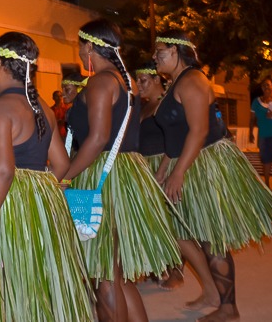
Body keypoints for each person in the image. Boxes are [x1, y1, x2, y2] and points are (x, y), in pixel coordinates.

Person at [152, 30, 272, 322]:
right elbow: (175, 136)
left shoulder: (192, 81)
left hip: (205, 164)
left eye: (160, 51)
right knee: (197, 235)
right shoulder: (177, 83)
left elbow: (199, 130)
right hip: (189, 162)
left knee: (211, 238)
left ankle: (229, 307)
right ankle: (214, 294)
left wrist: (178, 172)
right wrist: (164, 170)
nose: (155, 56)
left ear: (177, 52)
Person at [0, 32, 94, 321]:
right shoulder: (43, 109)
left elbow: (3, 171)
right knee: (33, 282)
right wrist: (37, 189)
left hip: (4, 208)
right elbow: (61, 164)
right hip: (40, 206)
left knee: (6, 287)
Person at [62, 19, 182, 322]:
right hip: (123, 174)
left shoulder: (102, 81)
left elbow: (99, 138)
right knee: (117, 272)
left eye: (79, 44)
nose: (78, 50)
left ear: (90, 46)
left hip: (101, 178)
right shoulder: (123, 80)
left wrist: (64, 176)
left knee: (103, 273)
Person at [136, 61, 217, 298]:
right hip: (147, 169)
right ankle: (170, 270)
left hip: (166, 166)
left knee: (178, 230)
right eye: (137, 79)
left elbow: (178, 138)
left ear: (158, 80)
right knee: (168, 228)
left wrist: (166, 170)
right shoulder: (141, 107)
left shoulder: (165, 105)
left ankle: (197, 280)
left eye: (145, 80)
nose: (139, 84)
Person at [61, 72, 86, 156]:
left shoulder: (85, 111)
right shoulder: (70, 111)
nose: (62, 93)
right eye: (62, 89)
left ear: (79, 89)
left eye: (67, 89)